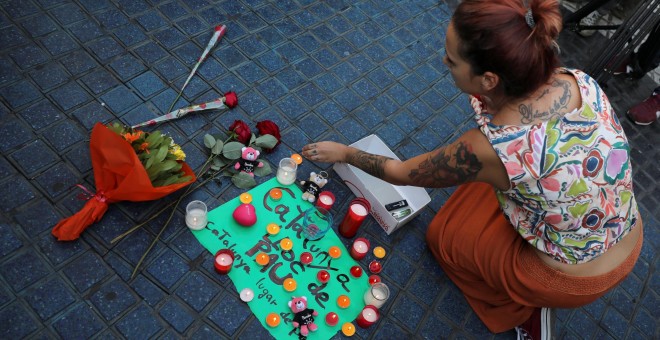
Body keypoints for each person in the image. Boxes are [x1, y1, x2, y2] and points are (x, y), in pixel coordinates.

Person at [301, 0, 643, 339]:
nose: (443, 62)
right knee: (485, 184)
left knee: (444, 240)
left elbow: (400, 173)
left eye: (451, 61)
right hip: (625, 228)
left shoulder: (489, 148)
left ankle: (523, 311)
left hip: (574, 276)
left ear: (490, 79)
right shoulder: (577, 80)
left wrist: (345, 152)